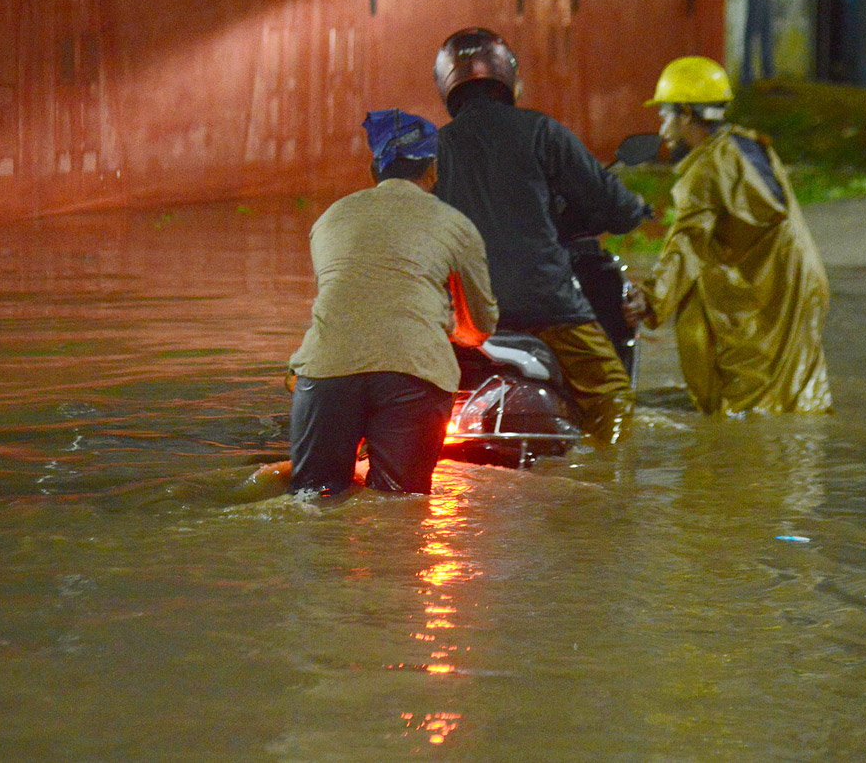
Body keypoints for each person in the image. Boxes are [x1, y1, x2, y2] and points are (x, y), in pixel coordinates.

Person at [431, 27, 652, 443]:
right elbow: (611, 205)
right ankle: (608, 487)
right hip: (544, 307)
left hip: (462, 318)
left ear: (447, 85)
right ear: (506, 77)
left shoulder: (436, 148)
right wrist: (636, 209)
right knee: (611, 394)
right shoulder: (540, 132)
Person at [287, 108, 498, 496]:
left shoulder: (330, 218)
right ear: (432, 170)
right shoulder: (455, 224)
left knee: (311, 502)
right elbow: (481, 323)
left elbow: (343, 295)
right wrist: (457, 334)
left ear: (374, 170)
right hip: (415, 375)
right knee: (399, 509)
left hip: (324, 372)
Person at [624, 56, 832, 415]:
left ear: (686, 115)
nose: (660, 127)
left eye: (664, 114)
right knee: (796, 401)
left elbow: (687, 242)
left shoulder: (706, 169)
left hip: (767, 295)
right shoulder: (748, 144)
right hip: (802, 284)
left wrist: (651, 298)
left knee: (745, 407)